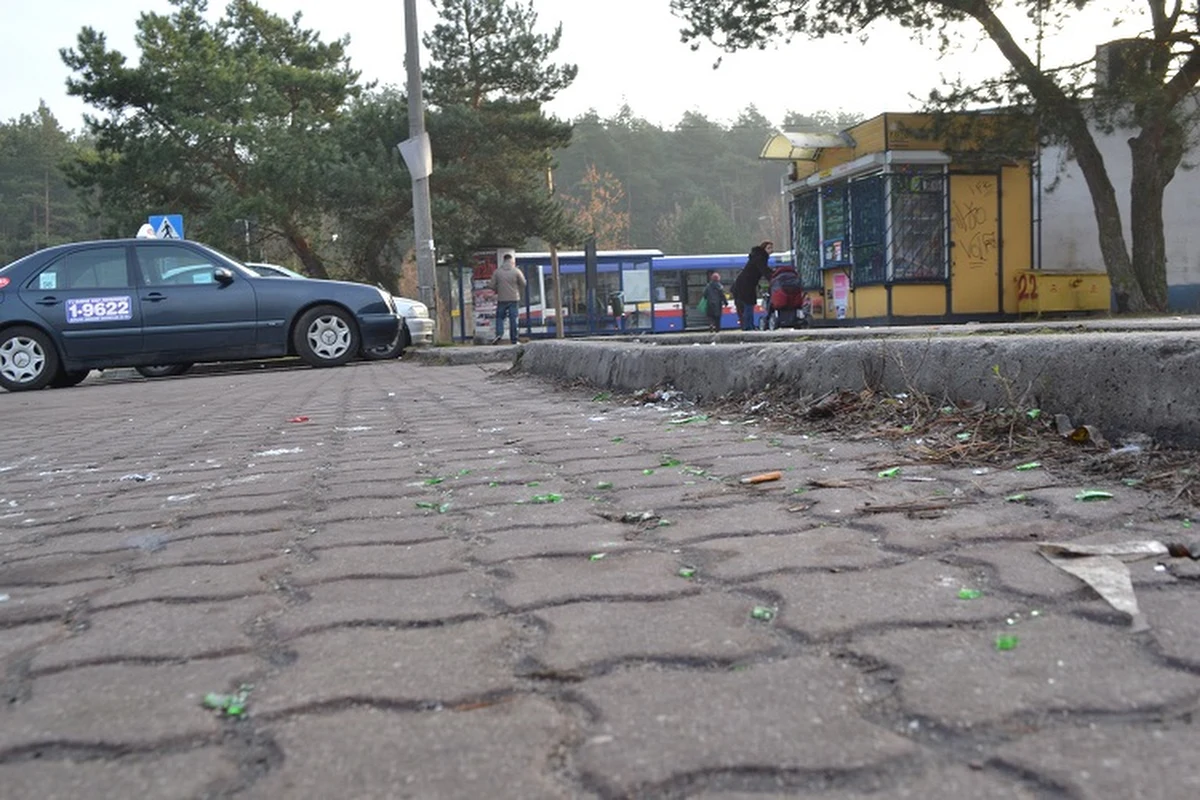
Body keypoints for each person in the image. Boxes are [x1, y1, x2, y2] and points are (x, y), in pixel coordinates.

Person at [733, 240, 773, 331]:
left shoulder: (757, 256)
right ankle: (748, 326)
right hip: (746, 285)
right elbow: (764, 270)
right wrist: (772, 277)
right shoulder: (761, 258)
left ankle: (748, 325)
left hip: (746, 285)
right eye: (769, 248)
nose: (771, 250)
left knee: (748, 305)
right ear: (763, 249)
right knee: (748, 305)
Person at [488, 253, 526, 345]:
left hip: (502, 299)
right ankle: (514, 339)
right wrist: (516, 288)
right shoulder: (516, 271)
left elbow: (491, 285)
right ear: (511, 261)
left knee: (500, 317)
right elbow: (523, 283)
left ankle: (499, 334)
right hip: (514, 298)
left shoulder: (497, 272)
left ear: (504, 261)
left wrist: (498, 289)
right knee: (513, 319)